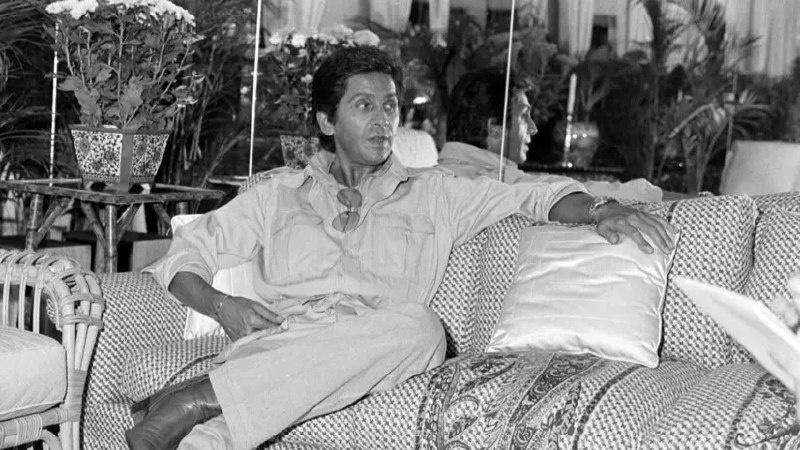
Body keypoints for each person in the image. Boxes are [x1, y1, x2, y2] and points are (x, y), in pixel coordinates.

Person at [126, 46, 676, 450]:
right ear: (326, 121)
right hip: (277, 347)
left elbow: (533, 196)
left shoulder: (437, 193)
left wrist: (600, 209)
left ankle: (193, 398)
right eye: (364, 106)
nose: (383, 120)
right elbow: (184, 256)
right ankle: (198, 411)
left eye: (389, 106)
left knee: (421, 329)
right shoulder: (276, 196)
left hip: (381, 345)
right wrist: (222, 306)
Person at [439, 68, 665, 202]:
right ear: (494, 128)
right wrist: (665, 199)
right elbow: (581, 193)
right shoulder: (500, 186)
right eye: (524, 116)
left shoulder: (431, 181)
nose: (533, 128)